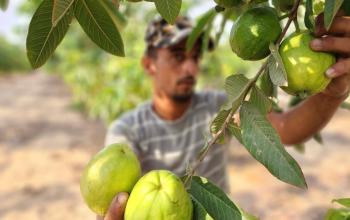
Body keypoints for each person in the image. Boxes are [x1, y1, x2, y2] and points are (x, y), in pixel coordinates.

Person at [97, 12, 350, 220]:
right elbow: (109, 198)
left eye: (195, 57)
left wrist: (331, 95)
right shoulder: (128, 129)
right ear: (148, 64)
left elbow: (285, 128)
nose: (191, 67)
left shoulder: (218, 106)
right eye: (177, 56)